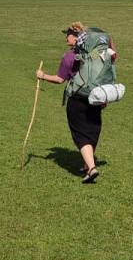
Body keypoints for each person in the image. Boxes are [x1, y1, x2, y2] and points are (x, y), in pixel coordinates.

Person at [36, 21, 103, 183]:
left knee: (80, 134)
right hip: (95, 98)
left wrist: (42, 76)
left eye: (68, 36)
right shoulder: (94, 54)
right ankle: (88, 165)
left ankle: (92, 168)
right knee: (92, 130)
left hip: (77, 99)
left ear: (75, 39)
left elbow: (60, 79)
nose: (66, 39)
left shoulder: (69, 57)